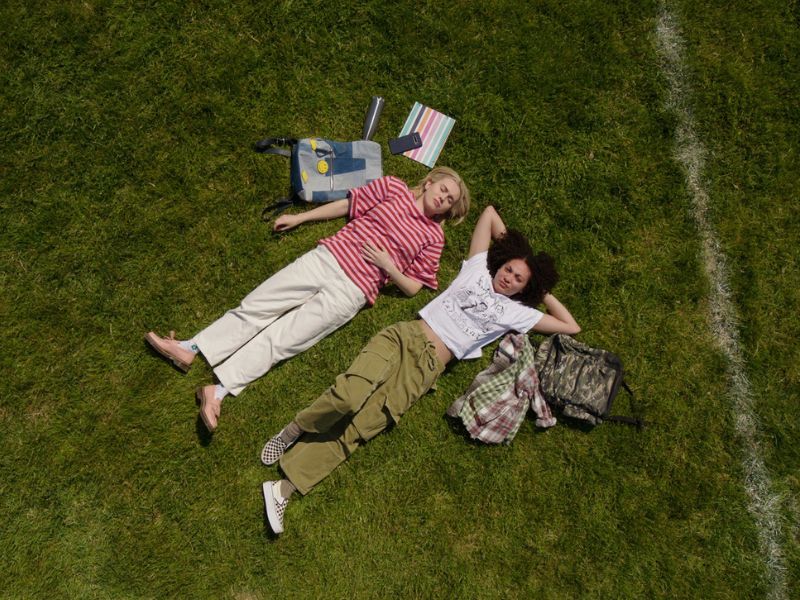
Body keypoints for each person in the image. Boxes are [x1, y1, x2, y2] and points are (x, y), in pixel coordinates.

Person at [259, 205, 581, 534]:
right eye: (509, 269)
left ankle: (281, 489)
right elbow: (489, 214)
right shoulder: (478, 270)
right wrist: (517, 252)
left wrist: (539, 290)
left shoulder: (517, 313)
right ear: (501, 262)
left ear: (523, 289)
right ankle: (294, 430)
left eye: (518, 279)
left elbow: (571, 326)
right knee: (348, 396)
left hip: (426, 370)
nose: (509, 277)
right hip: (406, 337)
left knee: (360, 429)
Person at [144, 168, 470, 432]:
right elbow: (347, 205)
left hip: (351, 293)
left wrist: (389, 267)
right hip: (326, 259)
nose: (443, 198)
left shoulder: (433, 237)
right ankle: (190, 349)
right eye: (443, 189)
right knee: (260, 305)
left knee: (285, 340)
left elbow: (414, 286)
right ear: (429, 183)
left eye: (450, 200)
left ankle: (217, 392)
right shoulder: (393, 188)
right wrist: (301, 218)